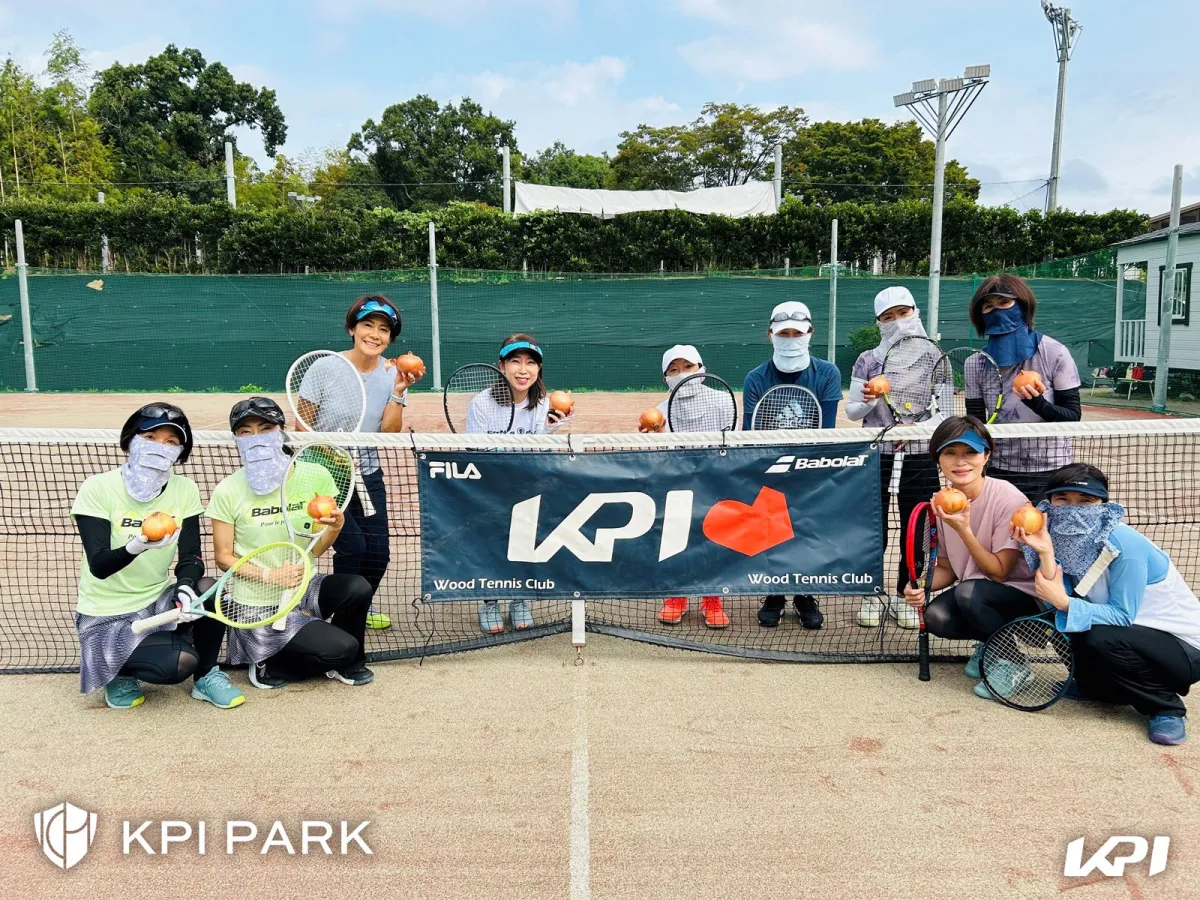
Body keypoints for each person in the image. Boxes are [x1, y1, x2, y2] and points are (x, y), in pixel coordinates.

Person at [71, 403, 244, 710]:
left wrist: (186, 587)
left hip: (156, 600)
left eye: (171, 441)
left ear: (179, 452)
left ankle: (207, 676)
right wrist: (136, 546)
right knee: (178, 662)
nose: (160, 447)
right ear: (130, 440)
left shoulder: (184, 489)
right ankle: (120, 672)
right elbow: (99, 566)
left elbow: (191, 555)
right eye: (150, 437)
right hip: (106, 613)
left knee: (210, 590)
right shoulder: (98, 487)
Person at [1014, 464, 1200, 745]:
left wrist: (1063, 602)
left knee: (1098, 635)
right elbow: (1060, 596)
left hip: (1183, 649)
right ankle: (1102, 689)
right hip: (1130, 635)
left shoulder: (1125, 544)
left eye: (1085, 501)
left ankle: (1166, 708)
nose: (1073, 509)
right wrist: (1047, 552)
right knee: (1067, 620)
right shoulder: (1057, 537)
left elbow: (1122, 615)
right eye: (1062, 499)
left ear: (1102, 505)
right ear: (1049, 503)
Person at [208, 398, 375, 690]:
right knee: (340, 648)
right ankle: (267, 661)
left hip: (304, 589)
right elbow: (223, 557)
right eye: (245, 431)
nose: (256, 437)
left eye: (266, 428)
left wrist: (335, 527)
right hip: (257, 604)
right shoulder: (227, 490)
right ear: (236, 439)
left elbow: (317, 548)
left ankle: (346, 664)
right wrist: (270, 575)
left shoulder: (315, 475)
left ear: (281, 432)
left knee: (357, 587)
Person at [295, 294, 423, 630]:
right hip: (322, 476)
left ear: (390, 338)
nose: (375, 334)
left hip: (367, 473)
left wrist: (398, 390)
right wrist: (332, 454)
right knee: (352, 547)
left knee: (378, 554)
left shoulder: (393, 373)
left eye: (384, 329)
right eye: (368, 325)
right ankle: (330, 617)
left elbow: (389, 432)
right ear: (352, 328)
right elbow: (302, 426)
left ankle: (355, 610)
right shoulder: (325, 367)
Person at [902, 416, 1041, 697]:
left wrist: (963, 529)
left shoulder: (1009, 499)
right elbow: (947, 567)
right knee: (936, 616)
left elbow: (999, 572)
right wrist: (920, 586)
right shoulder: (940, 502)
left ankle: (1015, 663)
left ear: (986, 456)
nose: (960, 462)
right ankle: (991, 643)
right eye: (950, 453)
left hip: (1025, 597)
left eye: (970, 452)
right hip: (976, 592)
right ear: (938, 459)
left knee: (967, 593)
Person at [743, 301, 841, 629]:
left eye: (796, 333)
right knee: (772, 529)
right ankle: (774, 592)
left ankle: (804, 593)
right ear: (770, 335)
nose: (789, 338)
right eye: (782, 333)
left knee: (805, 530)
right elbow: (750, 432)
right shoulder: (756, 378)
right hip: (771, 467)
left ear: (810, 333)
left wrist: (809, 466)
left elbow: (826, 430)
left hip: (810, 467)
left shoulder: (827, 373)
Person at [469, 334, 574, 633]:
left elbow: (540, 453)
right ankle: (490, 601)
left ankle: (520, 599)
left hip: (527, 486)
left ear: (539, 369)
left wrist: (550, 430)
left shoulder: (544, 405)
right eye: (515, 361)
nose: (523, 370)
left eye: (531, 363)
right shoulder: (482, 403)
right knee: (492, 545)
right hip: (490, 486)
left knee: (526, 544)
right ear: (501, 365)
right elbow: (472, 451)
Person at [845, 286, 932, 631]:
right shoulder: (868, 360)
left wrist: (917, 429)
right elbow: (853, 411)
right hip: (876, 456)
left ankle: (905, 595)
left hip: (920, 457)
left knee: (916, 529)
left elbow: (944, 411)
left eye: (903, 313)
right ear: (879, 322)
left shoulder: (933, 356)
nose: (897, 321)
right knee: (873, 530)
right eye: (888, 316)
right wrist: (868, 400)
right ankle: (871, 594)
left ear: (915, 312)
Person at [964, 274, 1081, 504]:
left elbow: (1073, 416)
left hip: (1052, 470)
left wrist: (1037, 403)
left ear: (1023, 306)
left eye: (1004, 302)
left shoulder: (1054, 353)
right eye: (988, 306)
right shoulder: (974, 364)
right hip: (998, 470)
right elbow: (976, 423)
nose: (997, 311)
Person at [639, 344, 729, 629]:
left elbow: (733, 445)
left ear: (702, 369)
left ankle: (712, 599)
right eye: (674, 370)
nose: (682, 373)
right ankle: (675, 596)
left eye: (688, 367)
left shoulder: (724, 401)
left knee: (712, 542)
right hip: (676, 485)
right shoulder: (659, 411)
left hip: (714, 482)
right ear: (665, 378)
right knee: (675, 540)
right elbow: (656, 458)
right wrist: (653, 438)